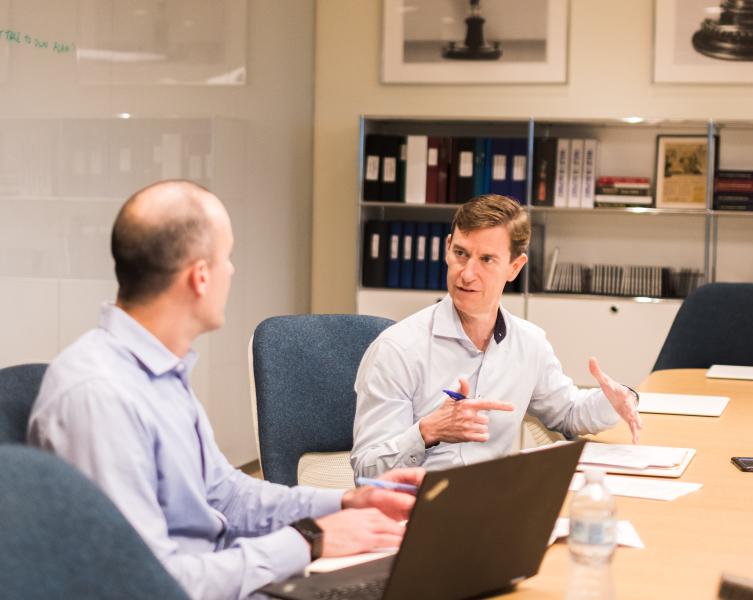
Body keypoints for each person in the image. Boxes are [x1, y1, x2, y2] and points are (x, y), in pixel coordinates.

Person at [28, 180, 423, 600]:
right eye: (227, 257)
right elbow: (147, 584)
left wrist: (347, 502)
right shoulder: (99, 398)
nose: (231, 271)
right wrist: (309, 541)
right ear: (200, 277)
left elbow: (228, 496)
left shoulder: (161, 372)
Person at [351, 194, 643, 478]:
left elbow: (567, 412)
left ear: (514, 267)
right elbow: (367, 470)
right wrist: (428, 432)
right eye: (461, 254)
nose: (467, 274)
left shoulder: (529, 343)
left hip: (496, 503)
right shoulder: (397, 349)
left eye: (487, 259)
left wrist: (616, 400)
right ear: (447, 248)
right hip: (413, 509)